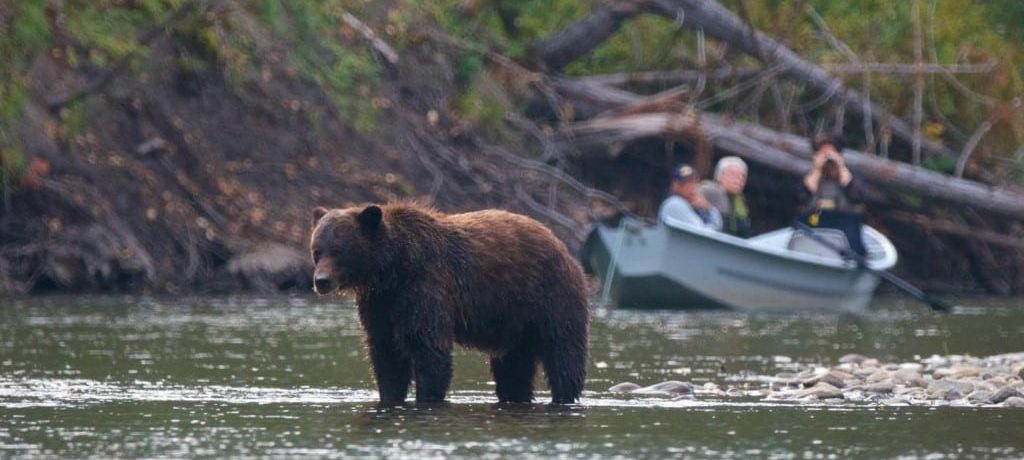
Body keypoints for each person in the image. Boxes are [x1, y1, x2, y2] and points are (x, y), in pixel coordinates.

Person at [797, 133, 867, 254]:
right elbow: (800, 198)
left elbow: (857, 197)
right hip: (814, 224)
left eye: (830, 153)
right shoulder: (809, 177)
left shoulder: (849, 176)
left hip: (844, 226)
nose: (827, 158)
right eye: (823, 153)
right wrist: (817, 170)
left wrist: (840, 167)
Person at [658, 163, 722, 230]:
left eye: (694, 182)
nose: (692, 187)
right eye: (685, 183)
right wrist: (711, 212)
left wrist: (708, 208)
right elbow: (701, 234)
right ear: (675, 186)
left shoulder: (694, 206)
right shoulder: (675, 203)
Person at [699, 156, 751, 237]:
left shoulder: (740, 201)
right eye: (733, 174)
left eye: (742, 177)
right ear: (719, 176)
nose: (739, 180)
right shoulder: (708, 190)